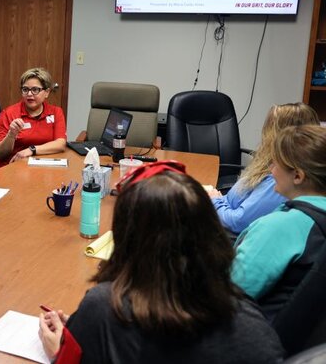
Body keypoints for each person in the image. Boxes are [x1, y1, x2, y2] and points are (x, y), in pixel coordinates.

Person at [39, 161, 283, 364]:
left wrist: (61, 351)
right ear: (213, 233)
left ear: (126, 237)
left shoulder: (104, 309)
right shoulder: (252, 324)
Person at [231, 125, 326, 319]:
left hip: (256, 339)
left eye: (275, 163)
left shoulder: (280, 228)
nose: (271, 170)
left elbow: (227, 295)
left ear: (298, 176)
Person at [208, 103, 319, 234]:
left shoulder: (280, 179)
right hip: (219, 212)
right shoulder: (270, 165)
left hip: (224, 234)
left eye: (269, 127)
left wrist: (215, 201)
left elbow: (238, 222)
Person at [0, 67, 67, 168]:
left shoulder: (56, 112)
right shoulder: (9, 113)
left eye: (35, 90)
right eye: (25, 89)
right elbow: (1, 154)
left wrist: (31, 150)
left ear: (47, 92)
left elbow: (60, 144)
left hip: (41, 166)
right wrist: (11, 134)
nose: (29, 94)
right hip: (11, 168)